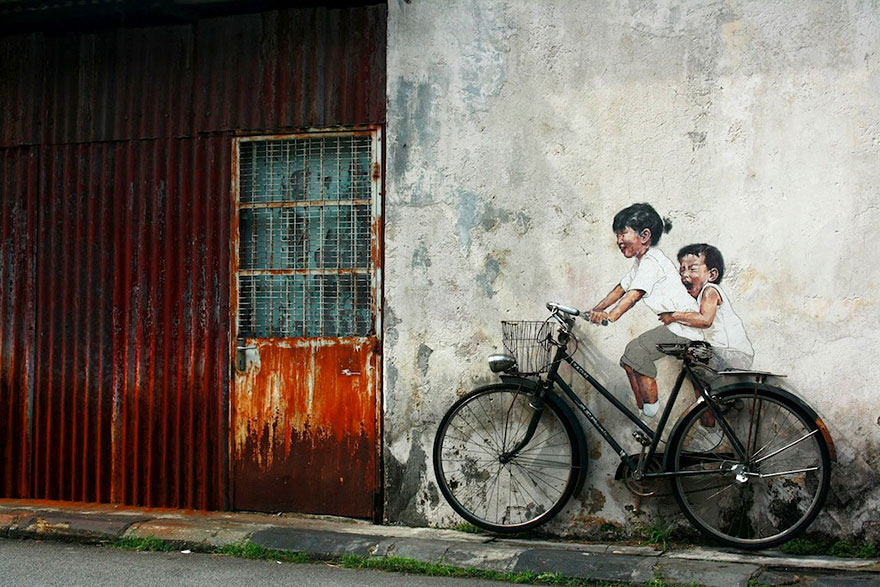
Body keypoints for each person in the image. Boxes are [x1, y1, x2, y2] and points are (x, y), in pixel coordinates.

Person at [588, 203, 703, 417]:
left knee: (636, 352)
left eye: (623, 233)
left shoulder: (652, 261)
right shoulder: (641, 263)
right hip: (677, 327)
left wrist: (610, 316)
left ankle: (651, 414)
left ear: (645, 235)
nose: (618, 240)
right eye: (617, 235)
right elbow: (620, 290)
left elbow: (633, 296)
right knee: (628, 361)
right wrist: (593, 310)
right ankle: (642, 410)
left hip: (684, 327)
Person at [659, 243, 754, 370]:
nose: (685, 275)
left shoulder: (710, 291)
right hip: (724, 352)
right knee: (694, 367)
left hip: (734, 353)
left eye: (692, 269)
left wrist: (673, 316)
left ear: (712, 275)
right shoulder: (699, 298)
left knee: (695, 356)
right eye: (682, 270)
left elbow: (705, 320)